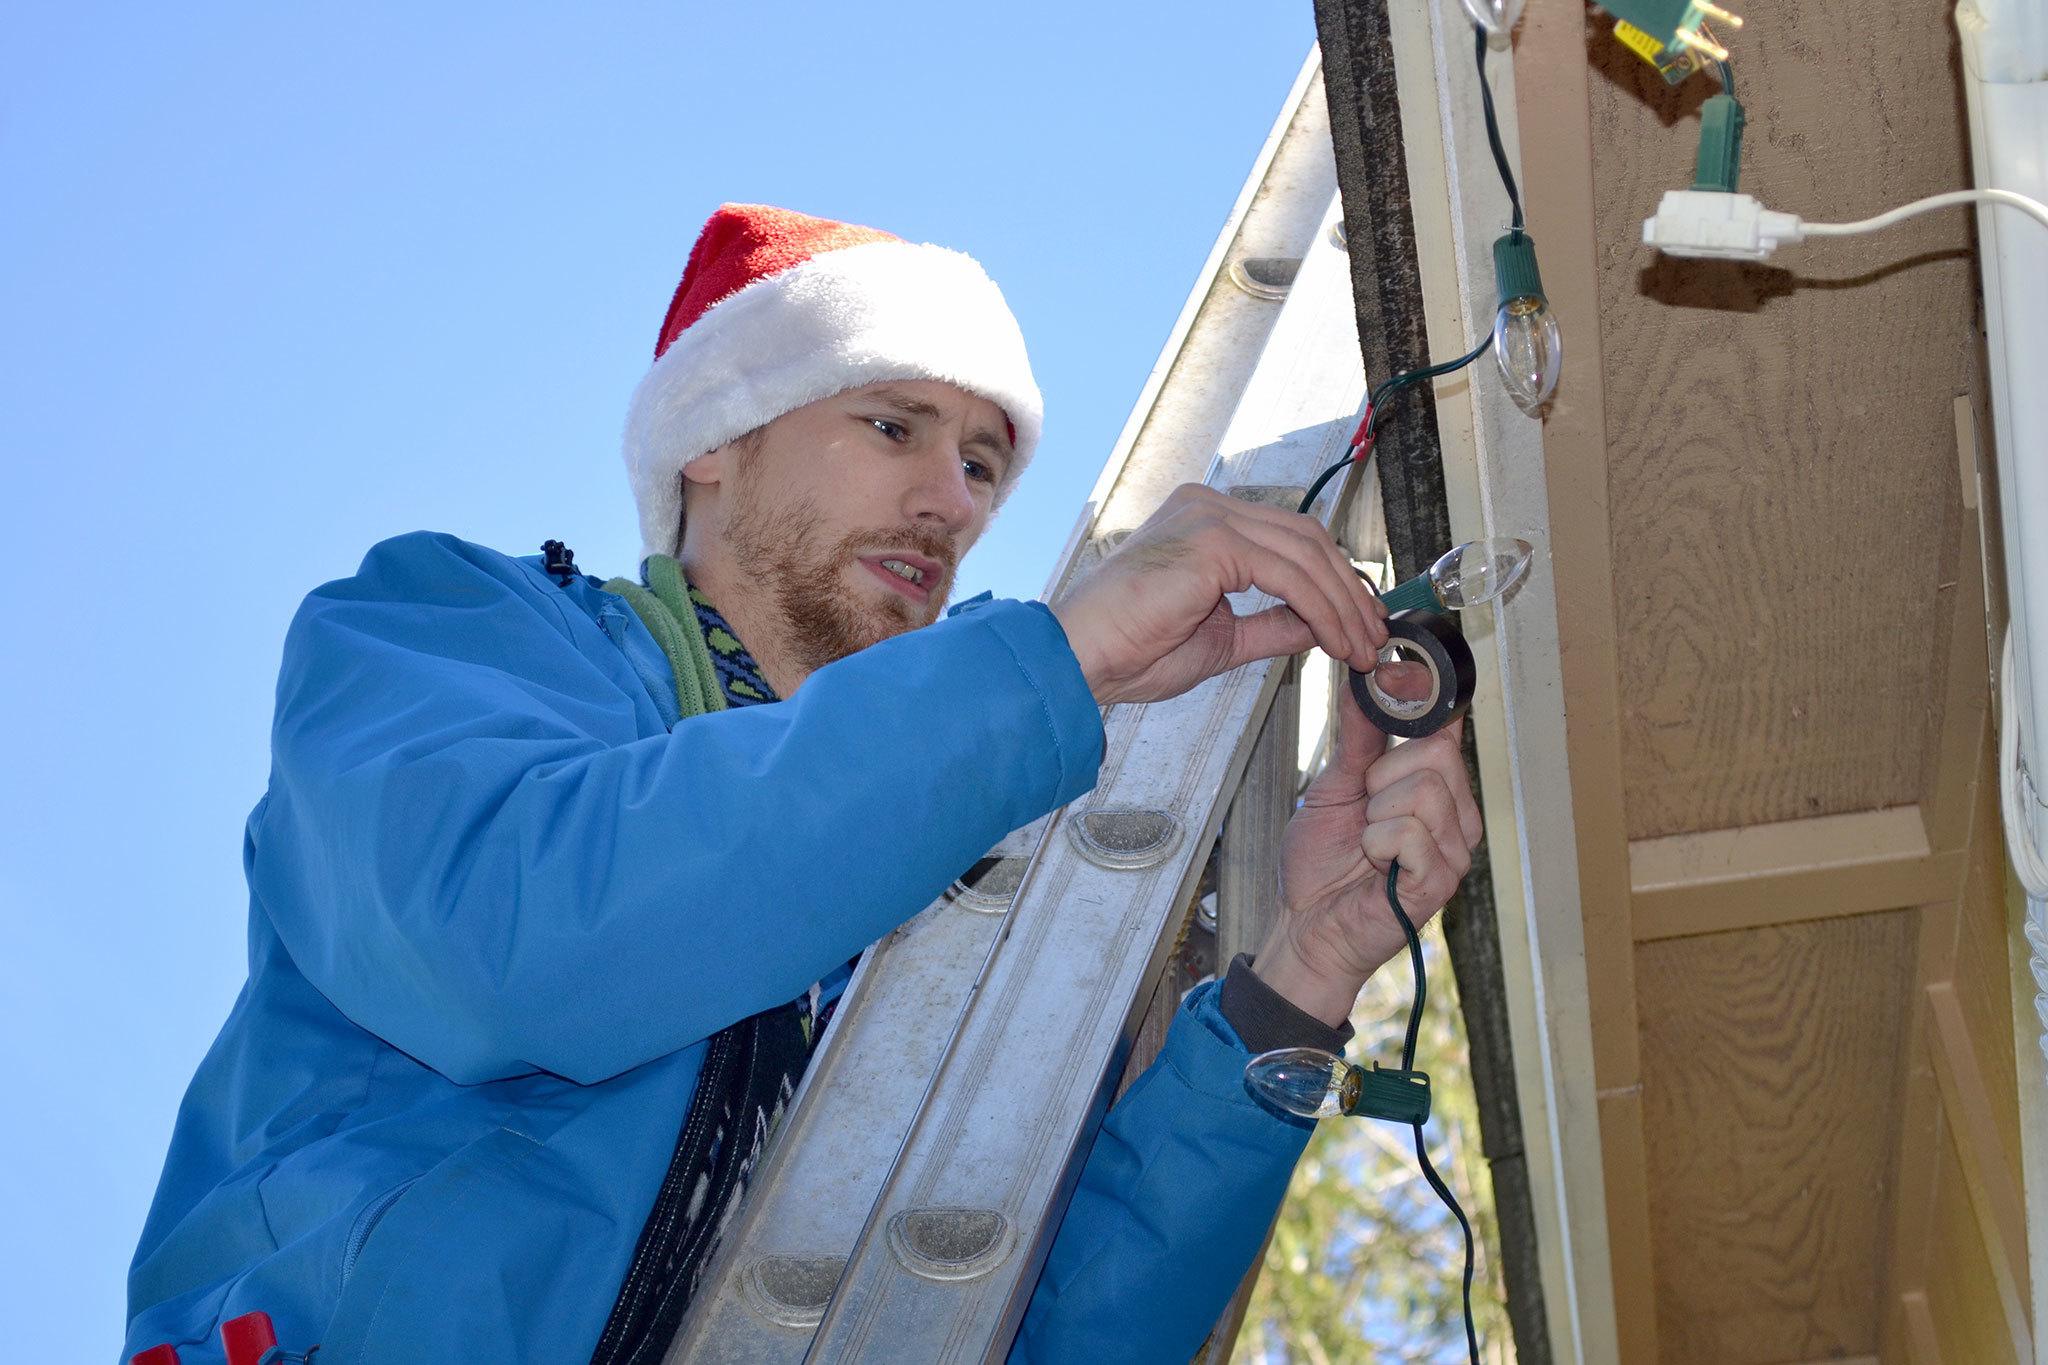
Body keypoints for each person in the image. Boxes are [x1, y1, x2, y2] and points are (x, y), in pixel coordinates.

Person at [124, 204, 1482, 1364]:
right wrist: (1053, 665)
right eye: (896, 424)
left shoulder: (962, 843)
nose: (951, 501)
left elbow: (1022, 1324)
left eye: (982, 467)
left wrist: (1297, 982)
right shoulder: (445, 628)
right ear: (714, 438)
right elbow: (518, 939)